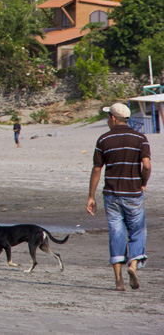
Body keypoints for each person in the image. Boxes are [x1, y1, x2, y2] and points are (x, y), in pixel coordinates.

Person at [86, 102, 151, 291]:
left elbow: (97, 169)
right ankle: (133, 265)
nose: (107, 120)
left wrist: (91, 196)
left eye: (108, 117)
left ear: (113, 118)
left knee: (116, 233)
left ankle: (118, 282)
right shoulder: (140, 138)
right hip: (133, 193)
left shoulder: (104, 140)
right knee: (137, 231)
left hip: (112, 195)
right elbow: (146, 165)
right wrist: (143, 183)